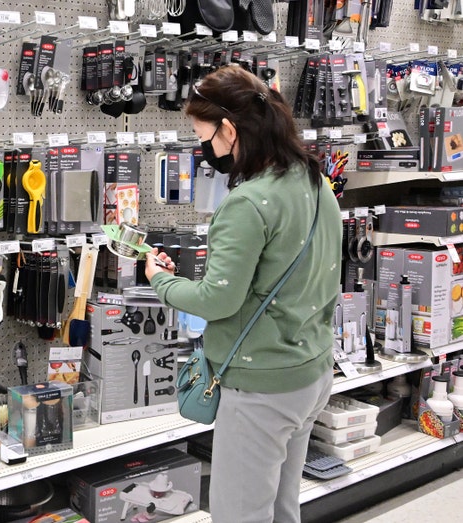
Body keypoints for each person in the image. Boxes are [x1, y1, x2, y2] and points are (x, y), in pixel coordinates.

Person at [145, 66, 342, 523]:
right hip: (310, 372)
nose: (204, 149)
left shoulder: (248, 202)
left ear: (230, 129)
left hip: (261, 387)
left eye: (204, 137)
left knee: (239, 513)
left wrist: (162, 281)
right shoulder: (314, 181)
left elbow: (218, 301)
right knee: (280, 507)